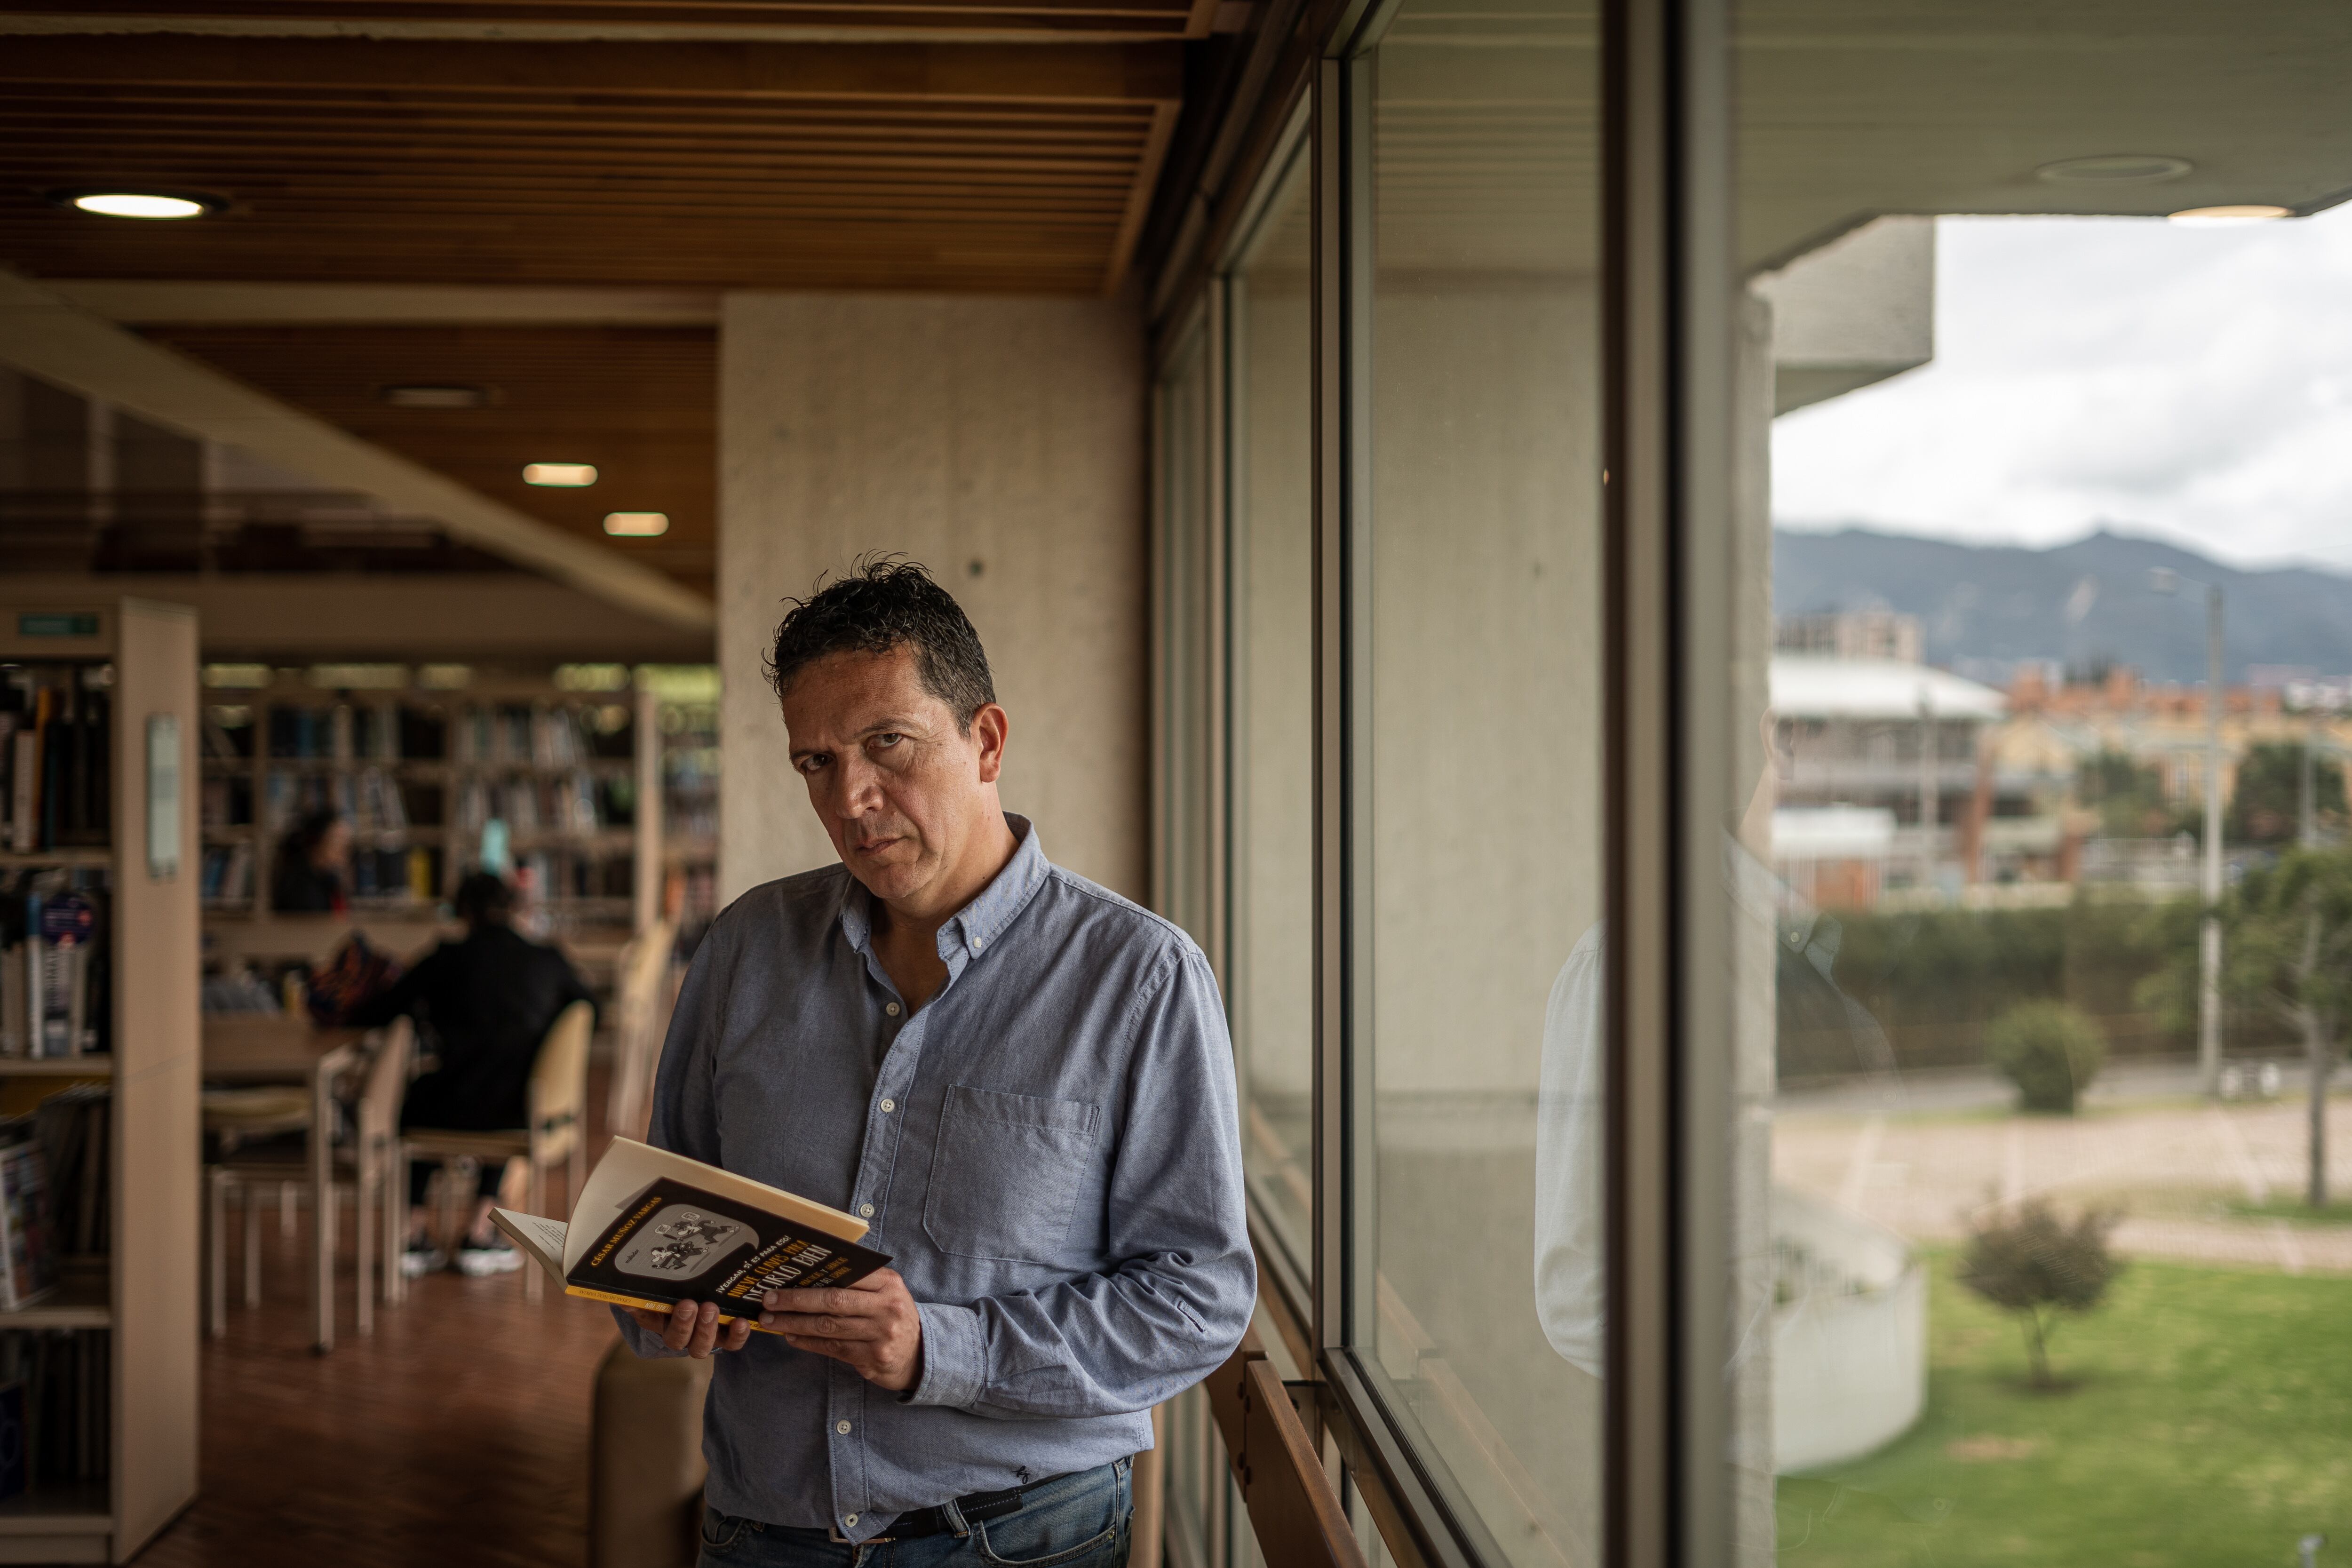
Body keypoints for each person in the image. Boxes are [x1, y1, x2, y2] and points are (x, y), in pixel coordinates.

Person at [616, 558, 1253, 1567]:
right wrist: (665, 1302)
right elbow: (666, 1216)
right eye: (816, 762)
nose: (852, 797)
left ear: (986, 740)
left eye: (887, 745)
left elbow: (1197, 1299)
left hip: (1019, 1534)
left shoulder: (1140, 976)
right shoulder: (743, 949)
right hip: (763, 1527)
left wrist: (939, 1350)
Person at [354, 870, 596, 1276]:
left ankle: (413, 1229)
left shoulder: (444, 958)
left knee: (418, 1097)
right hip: (521, 1108)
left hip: (452, 1103)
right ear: (514, 908)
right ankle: (480, 1230)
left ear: (462, 911)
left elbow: (380, 1011)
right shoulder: (547, 959)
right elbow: (590, 1009)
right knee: (506, 1079)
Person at [272, 809, 350, 913]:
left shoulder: (327, 878)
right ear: (317, 843)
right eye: (337, 842)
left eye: (346, 843)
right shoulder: (301, 890)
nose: (344, 850)